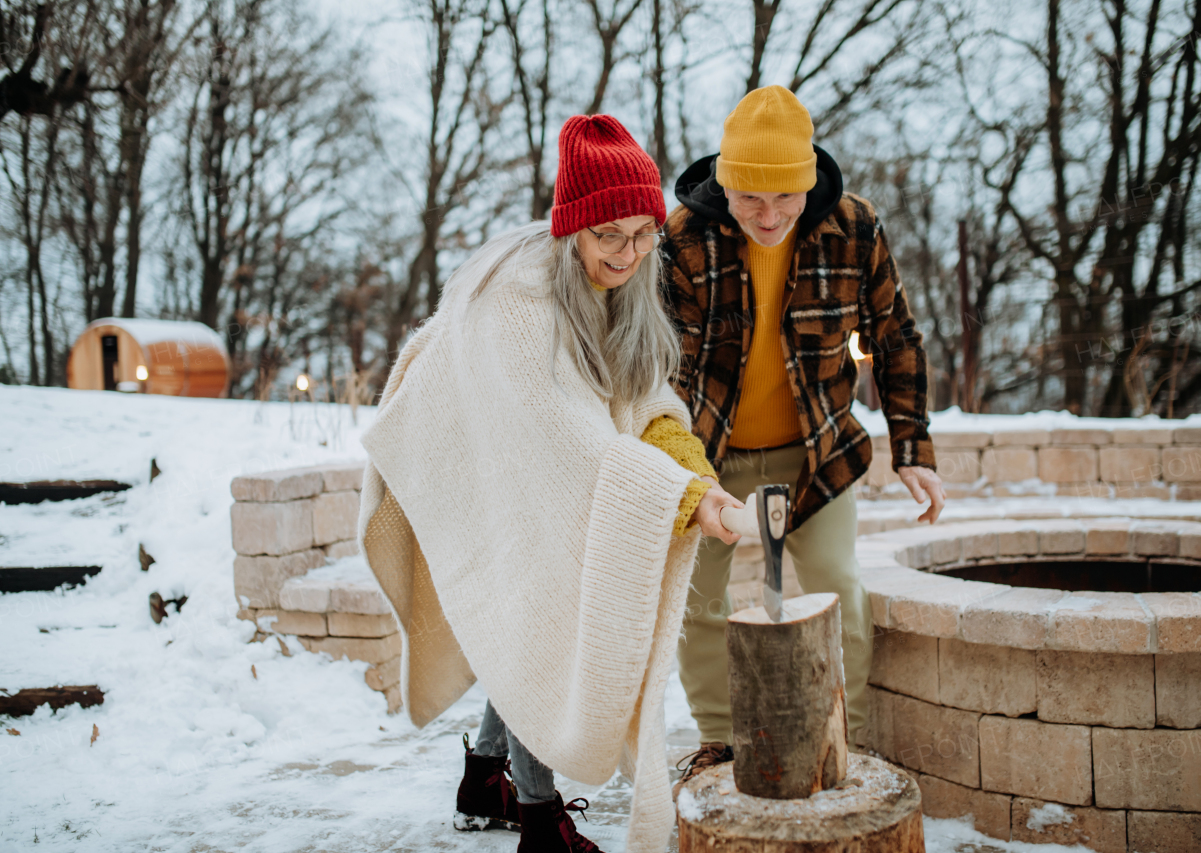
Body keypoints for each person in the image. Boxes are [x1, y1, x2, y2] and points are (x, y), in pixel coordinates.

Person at [357, 114, 742, 853]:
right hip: (462, 446)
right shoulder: (522, 300)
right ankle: (540, 820)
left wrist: (696, 478)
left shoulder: (624, 285)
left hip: (518, 445)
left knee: (526, 603)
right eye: (610, 236)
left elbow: (648, 403)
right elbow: (572, 439)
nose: (630, 253)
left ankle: (484, 775)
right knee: (538, 599)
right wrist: (682, 500)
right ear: (573, 231)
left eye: (643, 234)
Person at [661, 86, 946, 782]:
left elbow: (894, 334)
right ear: (724, 184)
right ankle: (721, 739)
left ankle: (850, 734)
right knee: (699, 599)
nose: (768, 216)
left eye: (784, 198)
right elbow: (658, 366)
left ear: (808, 182)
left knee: (837, 586)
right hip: (710, 452)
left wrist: (912, 445)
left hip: (815, 451)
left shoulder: (855, 228)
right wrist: (673, 472)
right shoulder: (681, 240)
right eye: (750, 198)